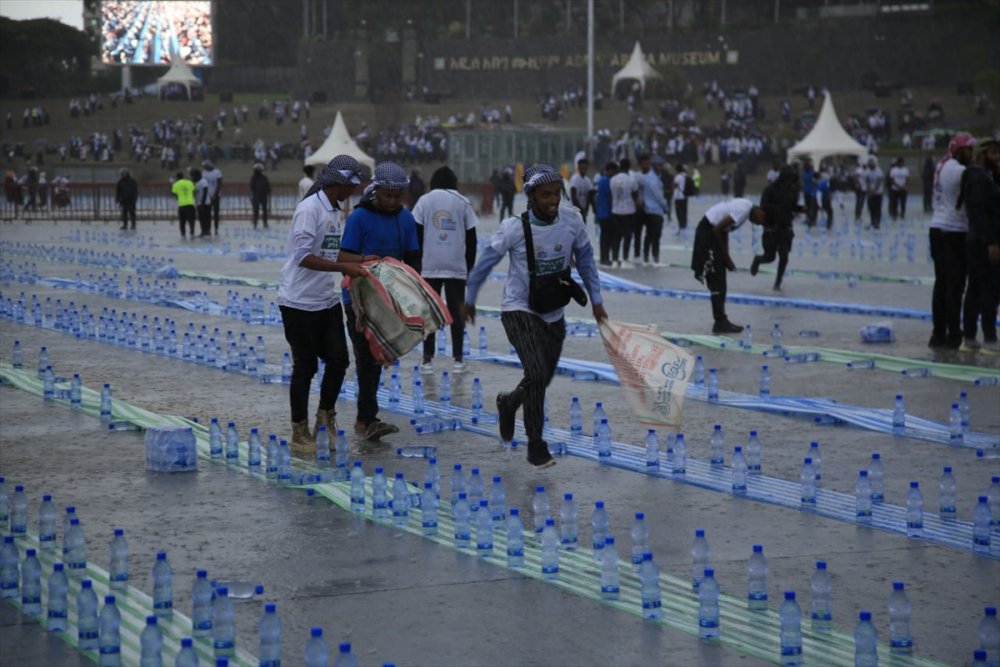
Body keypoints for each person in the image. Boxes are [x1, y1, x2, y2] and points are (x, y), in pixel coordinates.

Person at [462, 164, 607, 469]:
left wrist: (596, 301)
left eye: (556, 194)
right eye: (545, 195)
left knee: (541, 377)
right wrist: (470, 298)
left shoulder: (572, 220)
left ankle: (510, 402)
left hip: (554, 311)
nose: (552, 200)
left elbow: (586, 261)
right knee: (537, 373)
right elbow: (486, 262)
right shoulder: (513, 228)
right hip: (519, 309)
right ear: (530, 196)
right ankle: (535, 444)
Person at [278, 156, 368, 457]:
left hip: (325, 300)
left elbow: (330, 251)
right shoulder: (309, 209)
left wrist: (363, 260)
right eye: (351, 186)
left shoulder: (333, 209)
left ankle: (325, 418)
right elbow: (303, 255)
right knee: (305, 366)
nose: (353, 191)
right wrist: (343, 268)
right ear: (338, 183)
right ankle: (299, 430)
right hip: (299, 301)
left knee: (339, 360)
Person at [338, 162, 420, 441]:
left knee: (379, 357)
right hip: (359, 299)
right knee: (366, 356)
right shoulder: (359, 218)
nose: (392, 201)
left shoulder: (405, 219)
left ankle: (365, 418)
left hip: (389, 300)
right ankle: (366, 419)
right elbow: (343, 257)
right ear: (376, 191)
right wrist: (367, 263)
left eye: (397, 196)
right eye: (387, 196)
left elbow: (414, 261)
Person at [412, 166, 478, 374]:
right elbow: (472, 239)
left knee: (429, 312)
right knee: (457, 313)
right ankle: (458, 360)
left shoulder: (424, 201)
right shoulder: (463, 202)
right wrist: (469, 268)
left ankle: (427, 360)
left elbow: (416, 234)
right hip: (456, 266)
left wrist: (416, 266)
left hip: (429, 266)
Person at [691, 197, 771, 333]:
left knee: (720, 278)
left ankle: (722, 320)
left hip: (712, 232)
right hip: (708, 232)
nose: (758, 224)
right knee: (716, 279)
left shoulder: (745, 208)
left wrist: (725, 256)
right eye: (761, 220)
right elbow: (717, 229)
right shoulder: (744, 209)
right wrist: (726, 257)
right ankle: (719, 322)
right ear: (761, 211)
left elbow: (724, 231)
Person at [927, 133, 975, 349]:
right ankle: (953, 334)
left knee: (942, 283)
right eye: (968, 150)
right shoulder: (958, 169)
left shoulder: (943, 164)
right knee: (955, 285)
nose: (971, 154)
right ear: (959, 151)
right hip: (953, 230)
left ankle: (938, 333)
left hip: (937, 226)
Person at [960, 136, 1000, 351]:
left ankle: (970, 336)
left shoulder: (984, 176)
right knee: (988, 289)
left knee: (977, 288)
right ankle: (989, 338)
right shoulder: (978, 177)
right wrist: (991, 243)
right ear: (983, 155)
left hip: (980, 240)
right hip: (982, 242)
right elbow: (979, 213)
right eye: (994, 153)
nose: (998, 158)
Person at [752, 165, 803, 291]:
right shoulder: (769, 190)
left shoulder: (792, 190)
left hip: (786, 227)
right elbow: (762, 208)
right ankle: (758, 260)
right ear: (783, 178)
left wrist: (802, 209)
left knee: (784, 256)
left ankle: (778, 282)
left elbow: (793, 207)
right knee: (770, 257)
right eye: (789, 179)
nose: (790, 182)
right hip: (771, 228)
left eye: (792, 179)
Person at [609, 157, 640, 267]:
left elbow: (611, 194)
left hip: (615, 210)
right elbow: (635, 196)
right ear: (628, 167)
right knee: (627, 236)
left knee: (616, 236)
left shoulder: (613, 179)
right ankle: (625, 260)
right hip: (629, 211)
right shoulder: (632, 180)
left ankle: (614, 260)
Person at [640, 155, 669, 266]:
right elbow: (659, 197)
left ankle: (646, 259)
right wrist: (666, 207)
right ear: (655, 165)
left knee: (649, 235)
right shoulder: (653, 180)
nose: (661, 167)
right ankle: (656, 260)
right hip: (655, 210)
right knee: (655, 236)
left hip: (648, 211)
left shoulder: (649, 177)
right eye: (660, 165)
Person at [594, 161, 615, 266]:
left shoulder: (601, 180)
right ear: (610, 170)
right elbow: (610, 196)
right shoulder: (608, 181)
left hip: (601, 212)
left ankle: (603, 257)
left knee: (603, 236)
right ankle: (606, 257)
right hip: (608, 212)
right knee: (608, 237)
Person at [569, 153, 594, 223]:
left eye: (585, 167)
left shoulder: (587, 180)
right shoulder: (574, 179)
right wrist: (580, 209)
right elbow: (573, 197)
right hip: (575, 211)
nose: (584, 169)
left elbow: (590, 196)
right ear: (579, 168)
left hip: (584, 211)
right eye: (582, 167)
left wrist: (587, 209)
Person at [170, 171, 195, 239]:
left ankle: (183, 234)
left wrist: (178, 198)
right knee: (191, 220)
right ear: (183, 176)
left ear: (177, 177)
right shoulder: (189, 182)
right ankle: (192, 233)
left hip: (182, 205)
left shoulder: (175, 184)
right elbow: (193, 191)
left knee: (182, 221)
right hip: (190, 204)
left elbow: (174, 194)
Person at [201, 161, 222, 235]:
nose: (204, 168)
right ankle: (208, 229)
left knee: (216, 213)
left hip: (216, 196)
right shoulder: (204, 173)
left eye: (205, 166)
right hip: (207, 196)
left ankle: (216, 228)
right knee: (207, 213)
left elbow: (219, 184)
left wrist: (215, 194)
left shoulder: (217, 172)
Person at [864, 157, 885, 229]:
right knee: (871, 208)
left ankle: (877, 223)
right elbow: (867, 181)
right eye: (869, 164)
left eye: (871, 164)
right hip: (870, 193)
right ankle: (872, 222)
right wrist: (869, 190)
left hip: (878, 192)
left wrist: (874, 190)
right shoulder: (867, 171)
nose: (870, 166)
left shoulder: (879, 170)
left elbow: (879, 181)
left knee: (878, 208)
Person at [250, 163, 271, 229]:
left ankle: (265, 223)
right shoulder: (253, 178)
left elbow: (268, 186)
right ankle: (255, 223)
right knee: (256, 210)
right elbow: (252, 187)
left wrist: (266, 192)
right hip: (256, 196)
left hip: (263, 196)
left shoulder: (264, 178)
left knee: (264, 210)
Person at [193, 168, 212, 237]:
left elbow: (205, 191)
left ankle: (208, 231)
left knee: (207, 218)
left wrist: (203, 202)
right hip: (199, 203)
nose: (193, 177)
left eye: (193, 175)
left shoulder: (203, 181)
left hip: (205, 203)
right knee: (201, 218)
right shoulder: (196, 183)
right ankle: (203, 231)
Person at [672, 164, 690, 232]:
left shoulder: (678, 177)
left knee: (679, 214)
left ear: (676, 170)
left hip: (678, 197)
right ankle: (684, 227)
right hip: (685, 196)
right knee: (684, 212)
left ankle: (681, 228)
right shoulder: (685, 175)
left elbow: (674, 185)